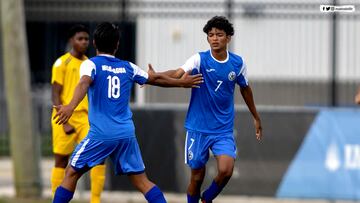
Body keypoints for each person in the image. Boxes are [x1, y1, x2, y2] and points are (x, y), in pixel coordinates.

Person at [51, 22, 203, 203]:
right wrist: (180, 83)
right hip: (125, 134)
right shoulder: (128, 67)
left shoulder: (90, 64)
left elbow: (84, 83)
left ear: (94, 43)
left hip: (101, 133)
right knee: (142, 181)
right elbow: (156, 78)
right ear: (117, 45)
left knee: (71, 172)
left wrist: (70, 106)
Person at [154, 16, 263, 203]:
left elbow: (245, 88)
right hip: (198, 128)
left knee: (226, 170)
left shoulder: (237, 64)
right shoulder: (199, 59)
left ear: (228, 38)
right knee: (196, 177)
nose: (214, 38)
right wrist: (154, 76)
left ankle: (206, 200)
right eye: (210, 35)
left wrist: (256, 116)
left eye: (219, 35)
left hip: (223, 129)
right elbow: (178, 73)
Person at [50, 24, 105, 203]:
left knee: (98, 158)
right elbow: (55, 93)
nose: (84, 42)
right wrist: (64, 122)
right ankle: (55, 198)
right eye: (80, 38)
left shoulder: (90, 63)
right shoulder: (61, 63)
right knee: (61, 160)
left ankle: (95, 200)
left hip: (85, 118)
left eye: (86, 39)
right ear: (71, 40)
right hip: (63, 116)